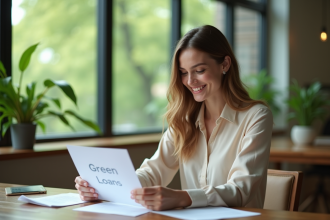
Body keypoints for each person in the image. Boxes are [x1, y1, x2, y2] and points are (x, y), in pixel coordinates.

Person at [75, 25, 273, 211]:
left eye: (199, 70)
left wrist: (183, 197)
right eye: (183, 73)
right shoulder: (185, 120)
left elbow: (241, 190)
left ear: (225, 64)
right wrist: (101, 187)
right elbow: (153, 172)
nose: (190, 81)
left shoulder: (256, 117)